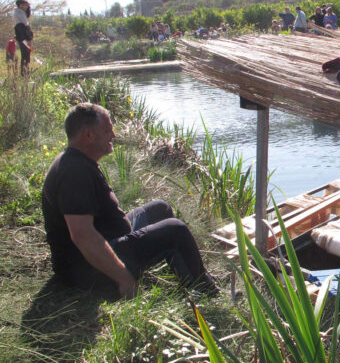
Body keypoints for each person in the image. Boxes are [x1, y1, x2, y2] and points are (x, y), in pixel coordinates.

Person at [42, 103, 220, 299]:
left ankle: (190, 274)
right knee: (175, 230)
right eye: (107, 130)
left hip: (108, 242)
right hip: (84, 269)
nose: (114, 135)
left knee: (160, 208)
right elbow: (83, 236)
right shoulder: (74, 173)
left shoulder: (78, 161)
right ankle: (205, 292)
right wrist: (124, 278)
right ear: (88, 135)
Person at [13, 0, 33, 76]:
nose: (27, 7)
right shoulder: (18, 13)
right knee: (25, 56)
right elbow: (25, 26)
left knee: (27, 55)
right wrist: (29, 39)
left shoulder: (21, 12)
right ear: (21, 5)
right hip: (24, 38)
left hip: (24, 37)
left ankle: (25, 72)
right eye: (25, 5)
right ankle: (24, 74)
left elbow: (27, 15)